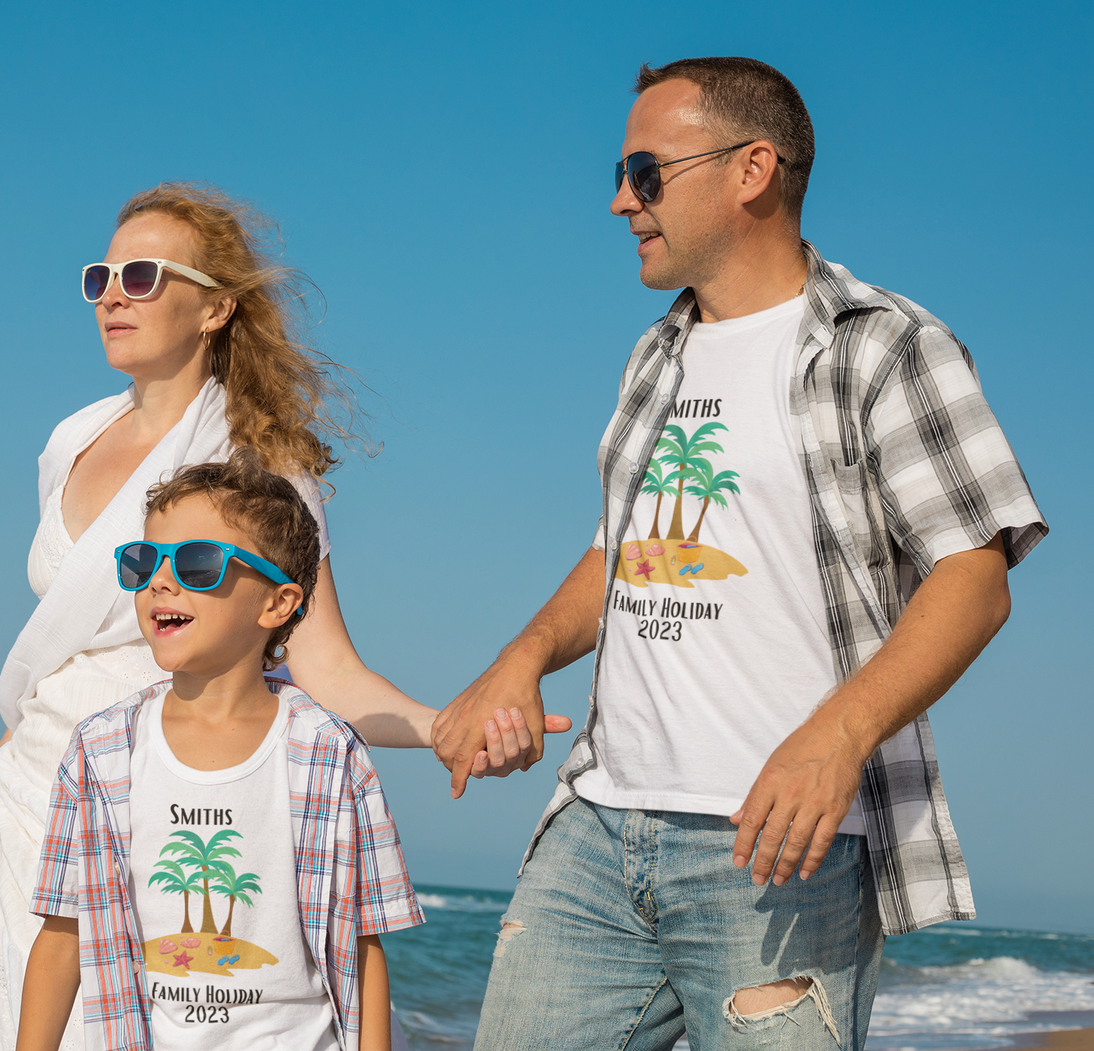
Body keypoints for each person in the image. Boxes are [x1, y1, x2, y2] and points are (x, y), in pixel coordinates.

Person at [432, 57, 1047, 1051]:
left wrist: (837, 735)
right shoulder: (654, 354)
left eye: (643, 172)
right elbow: (622, 552)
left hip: (777, 848)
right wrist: (522, 654)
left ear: (750, 168)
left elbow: (972, 580)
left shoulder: (883, 345)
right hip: (595, 827)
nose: (618, 200)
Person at [0, 183, 557, 1050]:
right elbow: (68, 632)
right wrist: (11, 736)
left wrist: (440, 725)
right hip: (37, 800)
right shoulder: (70, 440)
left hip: (165, 813)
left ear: (214, 308)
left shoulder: (260, 462)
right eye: (101, 276)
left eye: (140, 274)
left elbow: (323, 667)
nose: (112, 295)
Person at [15, 454, 422, 1051]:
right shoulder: (100, 753)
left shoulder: (329, 754)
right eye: (143, 560)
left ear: (278, 605)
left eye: (198, 562)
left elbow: (362, 945)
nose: (160, 579)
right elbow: (62, 938)